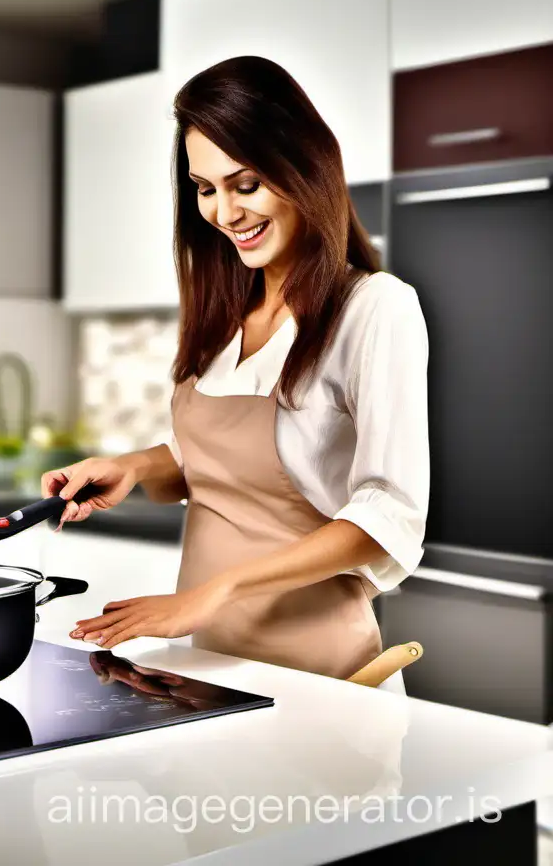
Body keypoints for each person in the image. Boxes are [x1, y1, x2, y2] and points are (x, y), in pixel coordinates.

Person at [44, 56, 429, 690]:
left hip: (326, 676)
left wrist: (216, 591)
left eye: (245, 183)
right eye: (204, 188)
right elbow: (218, 459)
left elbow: (388, 515)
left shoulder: (375, 307)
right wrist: (137, 467)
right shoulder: (222, 311)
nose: (224, 212)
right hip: (212, 669)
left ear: (303, 168)